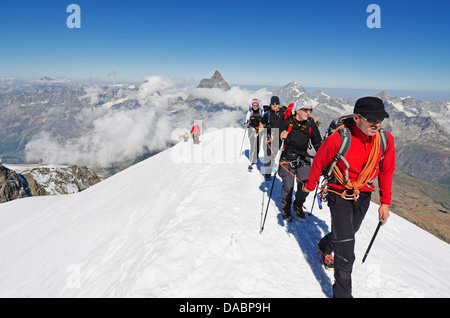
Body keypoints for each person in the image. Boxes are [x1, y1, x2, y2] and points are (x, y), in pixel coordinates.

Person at [302, 96, 395, 298]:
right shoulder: (339, 139)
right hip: (339, 192)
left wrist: (385, 203)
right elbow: (319, 161)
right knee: (346, 248)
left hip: (364, 193)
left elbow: (386, 170)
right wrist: (310, 186)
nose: (377, 123)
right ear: (356, 117)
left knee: (351, 230)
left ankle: (324, 246)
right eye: (371, 118)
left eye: (380, 118)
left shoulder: (385, 140)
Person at [278, 99, 322, 221]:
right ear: (297, 110)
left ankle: (298, 204)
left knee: (306, 185)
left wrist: (324, 157)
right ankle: (286, 209)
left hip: (303, 158)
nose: (309, 113)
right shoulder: (287, 123)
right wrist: (280, 137)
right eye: (306, 110)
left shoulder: (310, 125)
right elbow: (276, 144)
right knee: (288, 186)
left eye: (310, 110)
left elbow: (317, 142)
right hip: (287, 158)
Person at [258, 96, 285, 181]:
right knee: (268, 154)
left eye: (276, 103)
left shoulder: (284, 113)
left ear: (279, 104)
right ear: (271, 104)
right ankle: (268, 173)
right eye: (273, 103)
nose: (274, 105)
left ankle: (270, 167)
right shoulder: (268, 114)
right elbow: (261, 123)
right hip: (269, 136)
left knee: (273, 155)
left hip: (279, 137)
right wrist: (260, 132)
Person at [244, 99, 262, 170]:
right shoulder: (250, 112)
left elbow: (263, 120)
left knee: (258, 144)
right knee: (252, 144)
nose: (255, 107)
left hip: (259, 130)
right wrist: (246, 124)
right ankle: (253, 159)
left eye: (256, 105)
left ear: (258, 105)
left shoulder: (261, 111)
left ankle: (256, 157)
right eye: (254, 105)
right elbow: (246, 120)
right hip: (251, 129)